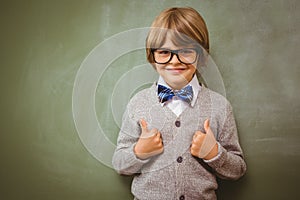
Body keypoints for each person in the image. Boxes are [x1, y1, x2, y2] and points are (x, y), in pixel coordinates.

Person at [112, 7, 246, 200]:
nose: (174, 61)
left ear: (200, 55)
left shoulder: (220, 106)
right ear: (152, 56)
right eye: (164, 52)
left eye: (185, 51)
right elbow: (119, 163)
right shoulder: (138, 104)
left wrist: (215, 153)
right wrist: (138, 152)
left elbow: (238, 169)